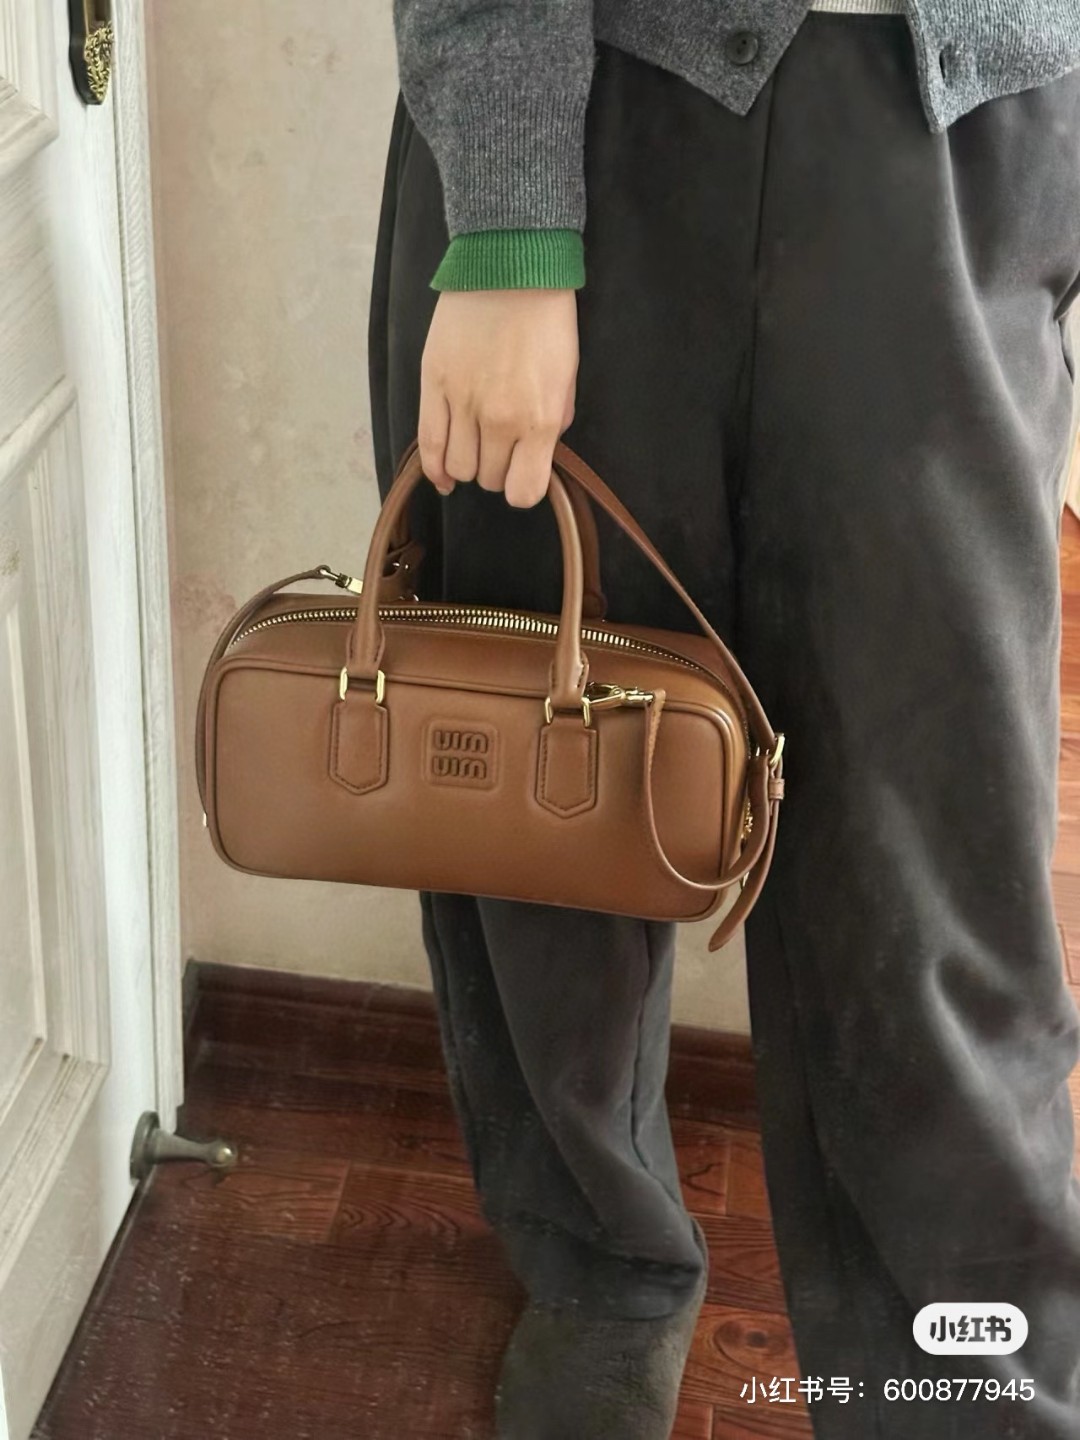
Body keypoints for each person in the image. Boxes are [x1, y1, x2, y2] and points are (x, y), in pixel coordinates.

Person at [367, 3, 1080, 1436]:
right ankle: (603, 1264)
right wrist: (508, 222)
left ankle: (965, 1370)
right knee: (547, 793)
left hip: (966, 126)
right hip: (594, 120)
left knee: (936, 851)